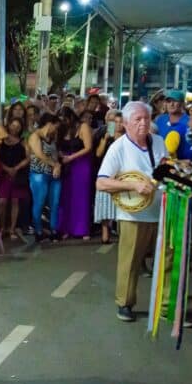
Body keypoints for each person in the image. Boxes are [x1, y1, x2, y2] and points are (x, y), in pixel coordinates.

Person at [96, 101, 168, 322]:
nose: (143, 123)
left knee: (168, 260)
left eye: (146, 118)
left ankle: (166, 306)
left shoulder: (158, 141)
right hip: (133, 215)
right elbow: (101, 182)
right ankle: (125, 303)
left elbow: (165, 169)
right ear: (126, 123)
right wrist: (133, 186)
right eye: (137, 119)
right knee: (131, 261)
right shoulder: (118, 147)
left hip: (162, 209)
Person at [56, 107, 94, 239]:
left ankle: (82, 229)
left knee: (81, 197)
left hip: (81, 165)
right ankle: (65, 228)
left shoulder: (83, 127)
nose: (63, 122)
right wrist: (61, 155)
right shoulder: (61, 130)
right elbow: (58, 146)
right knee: (66, 197)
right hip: (66, 166)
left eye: (65, 120)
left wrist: (71, 157)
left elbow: (88, 147)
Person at [28, 114, 63, 242]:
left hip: (53, 174)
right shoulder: (35, 136)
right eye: (56, 126)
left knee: (55, 203)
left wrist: (57, 164)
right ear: (49, 123)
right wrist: (56, 165)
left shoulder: (51, 138)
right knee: (39, 203)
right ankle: (38, 230)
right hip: (39, 174)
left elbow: (54, 155)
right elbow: (40, 155)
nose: (56, 130)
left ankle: (53, 230)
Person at [93, 112, 125, 244]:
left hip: (122, 175)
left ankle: (121, 232)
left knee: (122, 205)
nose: (118, 125)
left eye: (120, 122)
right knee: (105, 203)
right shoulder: (107, 136)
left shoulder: (127, 139)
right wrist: (105, 139)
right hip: (105, 173)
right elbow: (98, 154)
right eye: (115, 122)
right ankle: (105, 234)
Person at [0, 117, 30, 240]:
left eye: (18, 126)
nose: (15, 129)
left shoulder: (22, 141)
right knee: (2, 202)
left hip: (18, 174)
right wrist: (6, 168)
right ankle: (2, 227)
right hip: (4, 175)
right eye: (13, 125)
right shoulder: (1, 141)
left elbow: (27, 157)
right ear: (8, 125)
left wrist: (16, 168)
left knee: (16, 201)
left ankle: (12, 229)